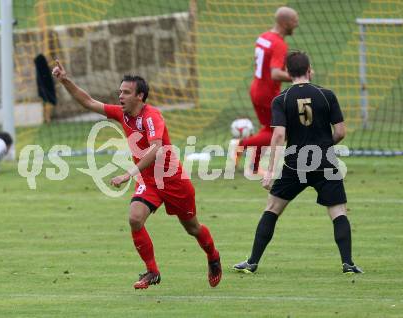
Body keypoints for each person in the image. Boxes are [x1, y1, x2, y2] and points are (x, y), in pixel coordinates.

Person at [52, 60, 222, 289]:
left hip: (173, 180)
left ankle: (213, 256)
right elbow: (88, 101)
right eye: (120, 91)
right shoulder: (122, 114)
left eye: (126, 92)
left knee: (192, 228)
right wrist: (64, 80)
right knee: (134, 218)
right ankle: (152, 271)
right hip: (149, 181)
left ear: (140, 96)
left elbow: (155, 147)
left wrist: (128, 174)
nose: (120, 96)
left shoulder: (152, 116)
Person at [233, 51, 363, 275]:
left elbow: (279, 136)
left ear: (288, 72)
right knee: (338, 212)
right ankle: (348, 263)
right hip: (325, 162)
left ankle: (252, 262)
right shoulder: (327, 95)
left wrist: (270, 170)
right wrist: (322, 144)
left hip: (295, 164)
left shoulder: (281, 100)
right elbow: (340, 132)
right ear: (309, 69)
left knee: (272, 209)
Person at [234, 6, 298, 173]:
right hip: (268, 94)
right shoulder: (279, 44)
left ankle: (254, 167)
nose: (297, 25)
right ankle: (242, 145)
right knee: (279, 132)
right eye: (294, 21)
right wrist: (299, 77)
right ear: (285, 23)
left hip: (256, 88)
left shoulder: (264, 37)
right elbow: (276, 74)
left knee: (267, 129)